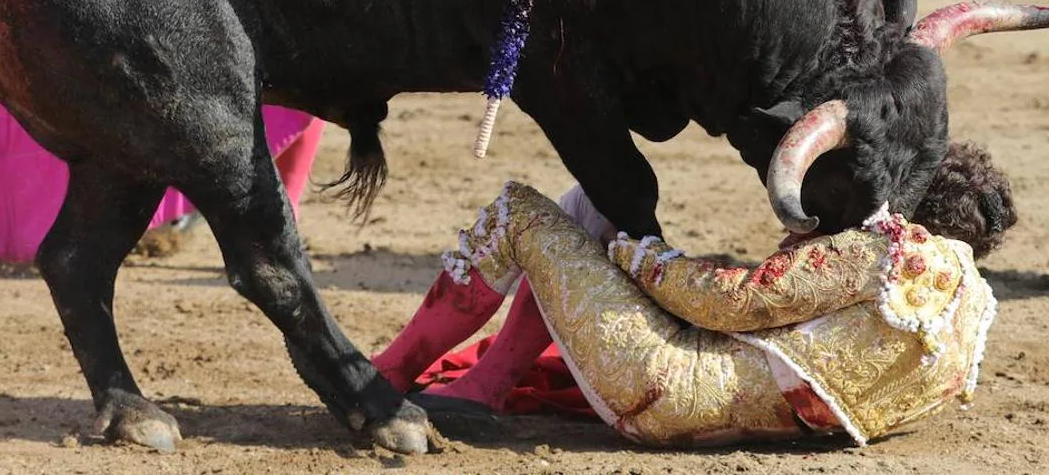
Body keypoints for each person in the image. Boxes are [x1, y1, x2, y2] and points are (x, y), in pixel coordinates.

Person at [371, 142, 1008, 446]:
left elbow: (729, 302)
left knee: (532, 211)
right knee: (586, 220)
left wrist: (634, 251)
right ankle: (486, 386)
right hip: (720, 425)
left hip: (658, 384)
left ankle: (387, 375)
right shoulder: (972, 315)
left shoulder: (892, 251)